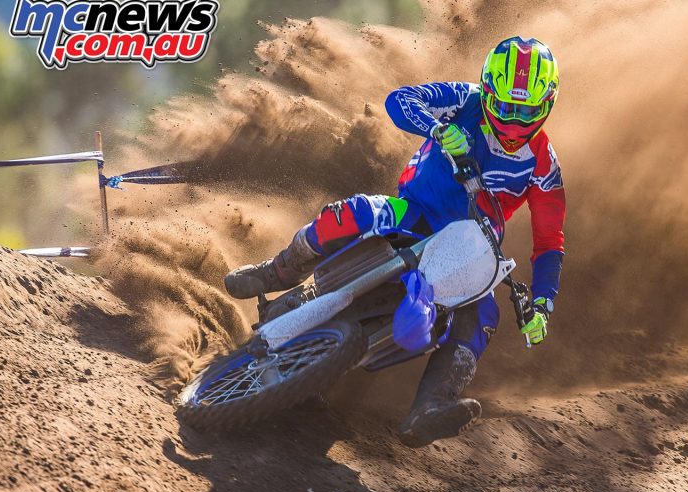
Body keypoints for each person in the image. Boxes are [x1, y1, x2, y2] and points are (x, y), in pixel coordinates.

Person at [224, 36, 566, 447]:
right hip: (417, 212)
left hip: (470, 247)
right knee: (356, 212)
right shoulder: (464, 100)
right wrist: (437, 129)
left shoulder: (544, 166)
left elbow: (549, 242)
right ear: (488, 90)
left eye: (526, 112)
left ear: (546, 106)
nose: (512, 124)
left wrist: (543, 303)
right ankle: (276, 270)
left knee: (485, 314)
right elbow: (399, 100)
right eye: (506, 108)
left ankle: (431, 406)